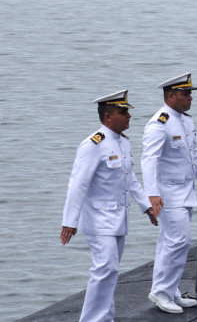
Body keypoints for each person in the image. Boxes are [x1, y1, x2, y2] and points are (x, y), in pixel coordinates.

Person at [60, 90, 157, 322]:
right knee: (104, 269)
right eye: (122, 112)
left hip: (118, 218)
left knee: (111, 271)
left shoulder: (122, 143)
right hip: (98, 219)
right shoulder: (93, 144)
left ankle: (105, 317)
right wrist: (69, 222)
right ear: (107, 116)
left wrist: (146, 206)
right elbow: (78, 185)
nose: (128, 116)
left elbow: (130, 178)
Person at [142, 73, 197, 314]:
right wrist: (152, 194)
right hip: (168, 193)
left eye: (190, 94)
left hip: (185, 191)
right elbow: (149, 161)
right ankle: (161, 292)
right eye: (185, 94)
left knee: (169, 242)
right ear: (171, 96)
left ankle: (170, 290)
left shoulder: (185, 121)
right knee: (179, 241)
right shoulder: (159, 124)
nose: (190, 98)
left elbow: (193, 154)